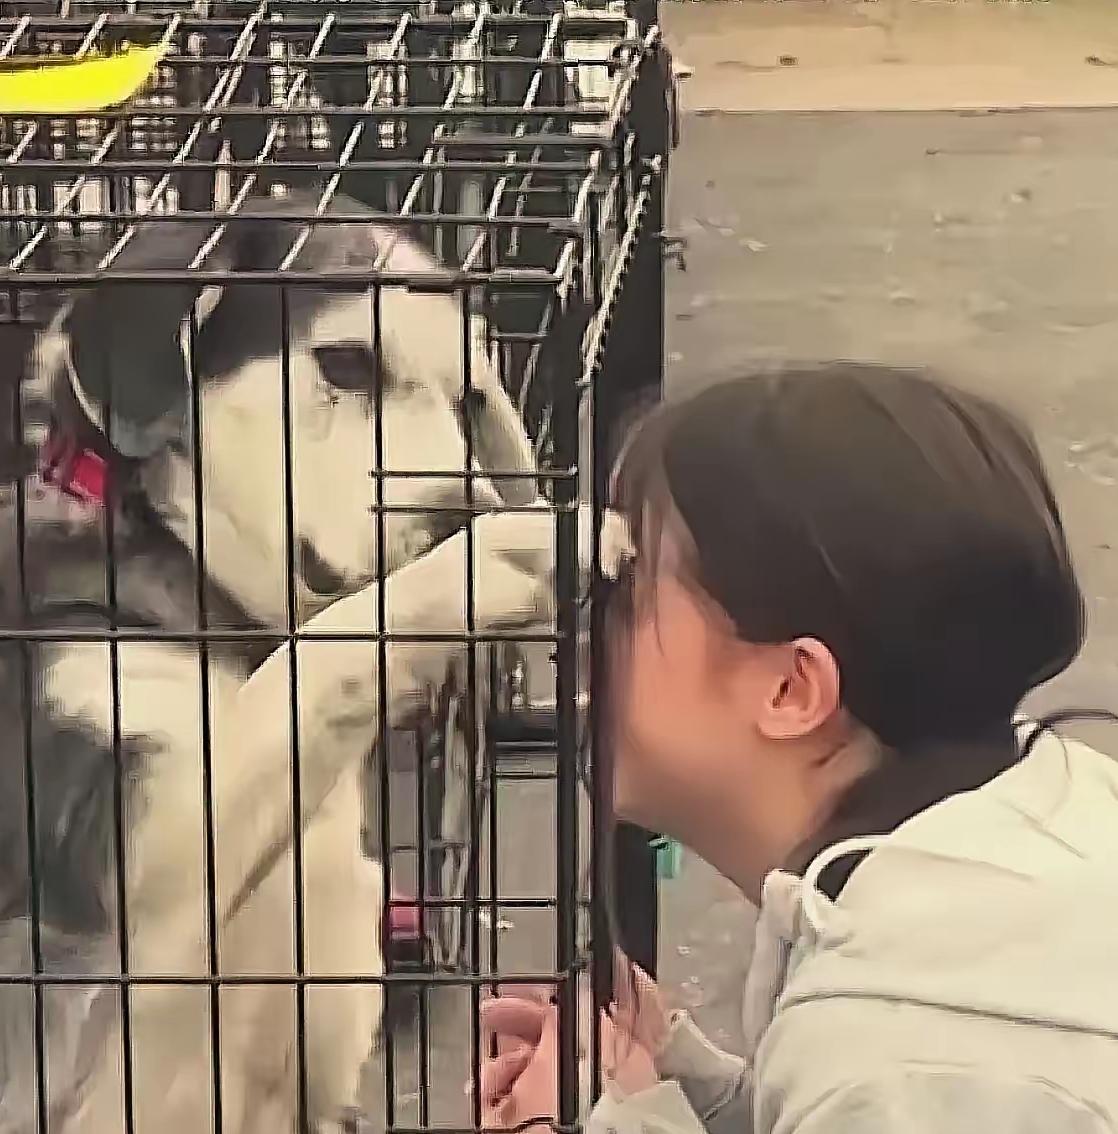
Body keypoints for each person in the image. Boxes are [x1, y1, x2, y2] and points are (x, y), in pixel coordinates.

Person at [478, 362, 1118, 1133]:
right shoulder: (1032, 824)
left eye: (626, 591)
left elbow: (887, 1087)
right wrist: (681, 1078)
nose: (579, 630)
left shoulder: (901, 1047)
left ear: (790, 690)